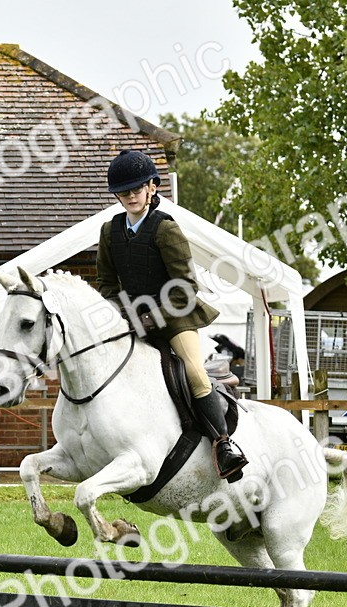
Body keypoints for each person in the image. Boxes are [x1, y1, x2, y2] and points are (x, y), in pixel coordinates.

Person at [94, 149, 248, 480]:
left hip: (176, 318)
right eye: (123, 191)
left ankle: (224, 445)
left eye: (137, 189)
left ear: (151, 187)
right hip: (132, 320)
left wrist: (150, 319)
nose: (131, 196)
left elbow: (185, 287)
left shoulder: (165, 229)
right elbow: (106, 283)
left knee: (193, 371)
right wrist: (122, 314)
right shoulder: (109, 231)